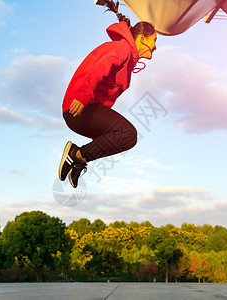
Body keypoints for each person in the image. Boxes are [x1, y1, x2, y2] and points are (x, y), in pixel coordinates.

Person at [59, 1, 157, 188]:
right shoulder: (122, 48)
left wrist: (102, 140)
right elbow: (96, 70)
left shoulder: (129, 62)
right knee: (128, 134)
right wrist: (82, 95)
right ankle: (77, 156)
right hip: (79, 106)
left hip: (85, 110)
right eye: (154, 41)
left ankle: (78, 158)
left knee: (126, 137)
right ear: (143, 38)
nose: (155, 47)